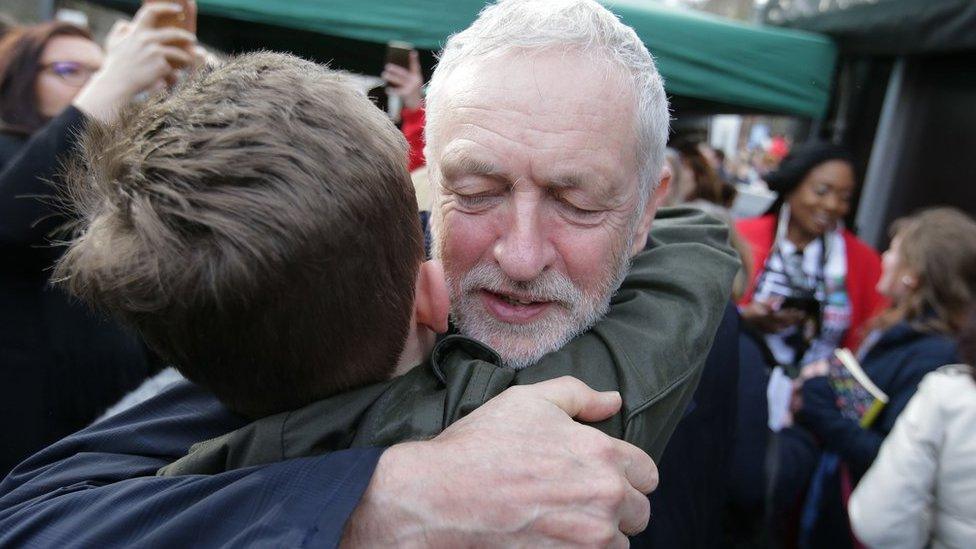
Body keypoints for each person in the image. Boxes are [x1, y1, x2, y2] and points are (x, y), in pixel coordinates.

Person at [0, 0, 730, 544]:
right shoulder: (313, 286)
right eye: (476, 191)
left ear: (646, 210)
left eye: (576, 202)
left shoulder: (717, 349)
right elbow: (34, 515)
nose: (519, 253)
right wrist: (381, 498)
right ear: (425, 184)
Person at [0, 4, 200, 477]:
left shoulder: (113, 167)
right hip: (27, 435)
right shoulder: (11, 147)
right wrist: (114, 76)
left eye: (100, 67)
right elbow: (14, 217)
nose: (95, 80)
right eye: (70, 70)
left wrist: (191, 82)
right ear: (19, 77)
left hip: (119, 428)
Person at [777, 207, 976, 548]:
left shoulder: (934, 355)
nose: (884, 257)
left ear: (913, 274)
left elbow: (888, 452)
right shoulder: (905, 331)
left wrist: (816, 399)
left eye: (895, 250)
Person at [737, 141, 886, 373]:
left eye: (844, 197)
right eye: (821, 191)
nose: (832, 205)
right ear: (792, 186)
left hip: (815, 396)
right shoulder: (741, 237)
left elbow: (871, 340)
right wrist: (743, 318)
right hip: (740, 380)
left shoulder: (865, 262)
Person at [848, 307, 976, 549]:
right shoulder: (902, 333)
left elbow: (880, 521)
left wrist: (820, 395)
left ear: (914, 276)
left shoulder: (946, 386)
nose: (884, 265)